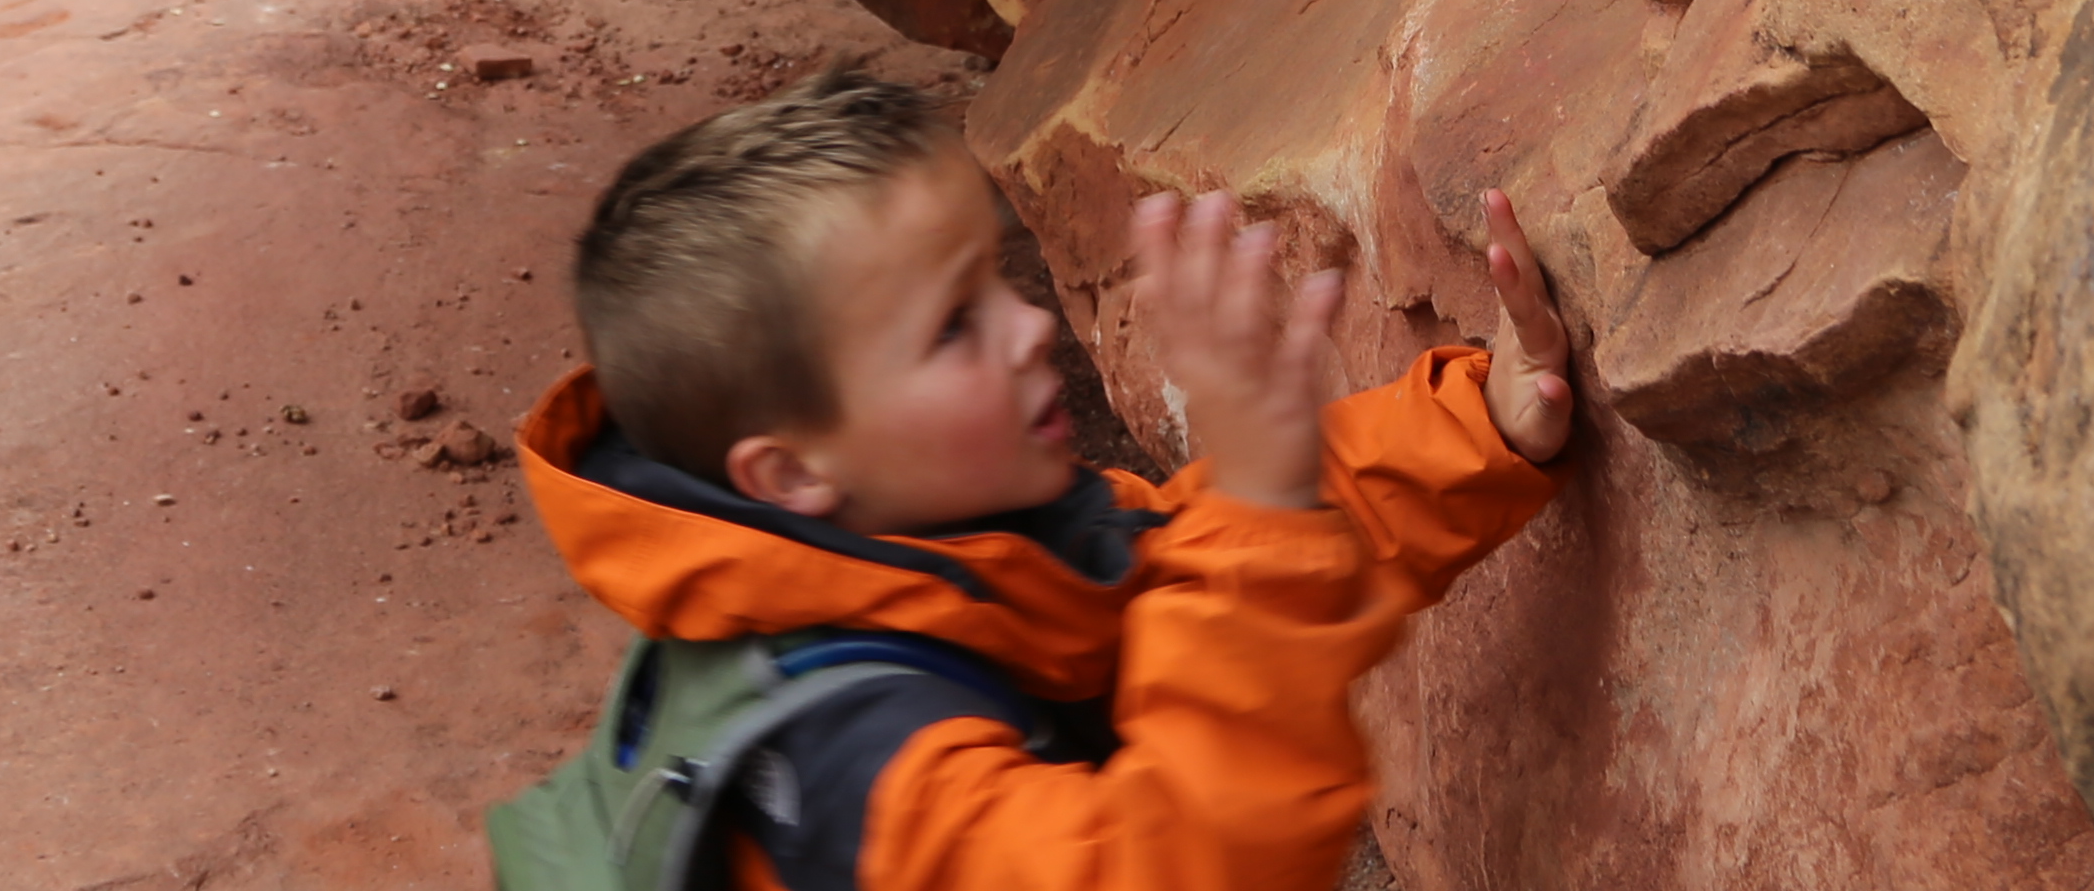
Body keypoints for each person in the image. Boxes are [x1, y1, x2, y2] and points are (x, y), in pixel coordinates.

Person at [499, 66, 1574, 891]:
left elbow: (1184, 560)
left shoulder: (916, 545)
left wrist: (1480, 427)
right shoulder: (861, 767)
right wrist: (1257, 505)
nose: (1027, 328)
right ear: (789, 469)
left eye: (996, 280)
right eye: (953, 327)